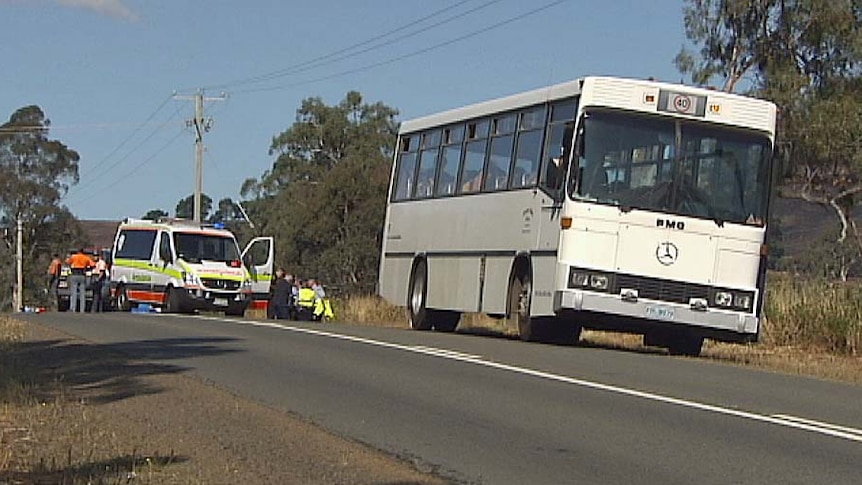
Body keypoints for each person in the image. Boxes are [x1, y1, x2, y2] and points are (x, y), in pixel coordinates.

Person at [66, 248, 94, 313]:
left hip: (74, 274)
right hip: (82, 274)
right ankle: (82, 309)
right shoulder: (86, 258)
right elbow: (93, 264)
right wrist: (87, 268)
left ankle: (73, 308)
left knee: (73, 292)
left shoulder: (74, 257)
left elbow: (67, 262)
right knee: (82, 293)